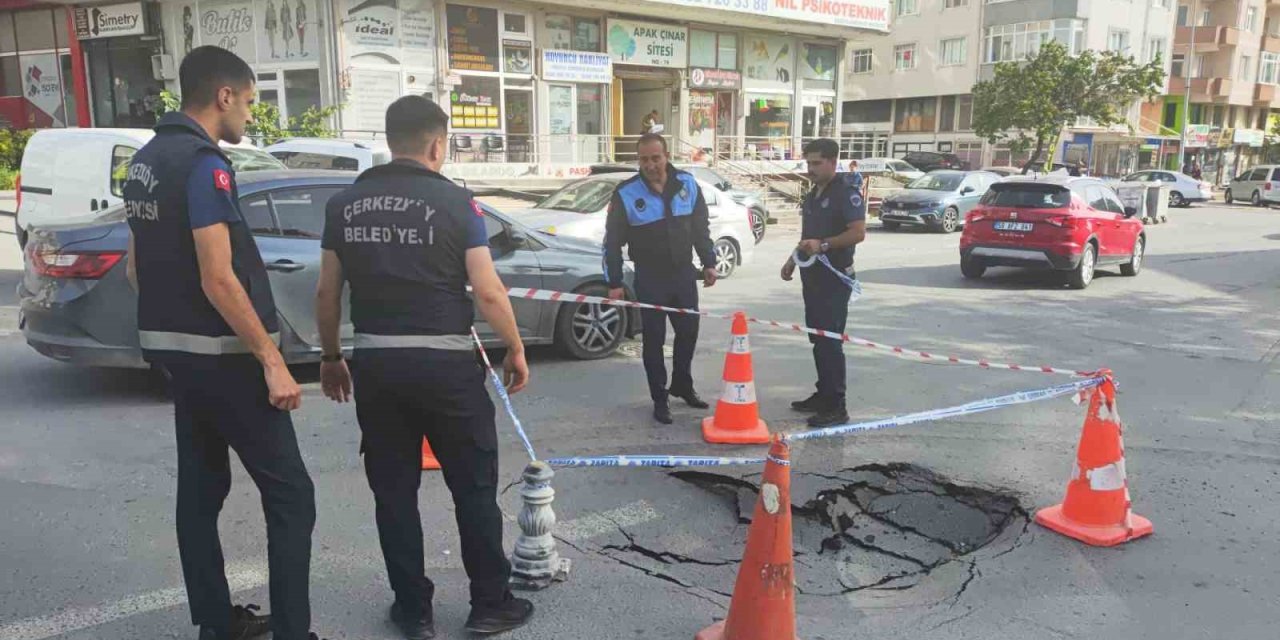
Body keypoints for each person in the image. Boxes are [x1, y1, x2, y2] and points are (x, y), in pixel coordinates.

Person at [315, 95, 535, 639]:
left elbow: (327, 292)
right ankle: (490, 603)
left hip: (377, 365)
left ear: (391, 141)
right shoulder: (458, 203)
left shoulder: (344, 205)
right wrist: (514, 347)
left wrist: (331, 357)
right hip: (447, 368)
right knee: (473, 487)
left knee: (393, 493)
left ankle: (413, 610)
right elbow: (488, 290)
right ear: (438, 144)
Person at [122, 46, 323, 640]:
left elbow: (136, 268)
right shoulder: (203, 164)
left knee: (202, 491)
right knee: (292, 496)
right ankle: (293, 631)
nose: (251, 115)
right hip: (226, 360)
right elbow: (218, 275)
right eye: (251, 102)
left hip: (178, 357)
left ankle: (215, 622)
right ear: (224, 95)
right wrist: (271, 360)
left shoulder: (145, 161)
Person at [604, 133, 717, 424]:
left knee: (688, 333)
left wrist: (709, 262)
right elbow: (612, 243)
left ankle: (682, 385)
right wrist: (614, 283)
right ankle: (659, 397)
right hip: (649, 278)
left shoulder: (687, 184)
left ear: (667, 156)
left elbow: (701, 229)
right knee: (653, 341)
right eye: (644, 159)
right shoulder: (626, 193)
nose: (650, 165)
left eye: (656, 158)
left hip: (683, 275)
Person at [781, 138, 867, 428]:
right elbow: (808, 237)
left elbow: (858, 232)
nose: (811, 169)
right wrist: (792, 260)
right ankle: (823, 394)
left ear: (833, 162)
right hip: (813, 277)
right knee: (817, 338)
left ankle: (836, 406)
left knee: (830, 342)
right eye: (808, 163)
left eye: (817, 163)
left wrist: (825, 245)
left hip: (834, 278)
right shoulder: (812, 195)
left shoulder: (846, 192)